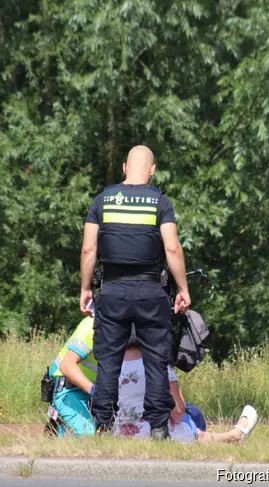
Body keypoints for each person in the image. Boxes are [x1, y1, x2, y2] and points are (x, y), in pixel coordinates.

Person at [80, 145, 191, 440]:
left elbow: (89, 248)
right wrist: (182, 288)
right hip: (151, 292)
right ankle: (158, 428)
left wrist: (85, 287)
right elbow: (172, 248)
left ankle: (102, 426)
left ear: (124, 167)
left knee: (109, 361)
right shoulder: (160, 202)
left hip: (113, 290)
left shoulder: (103, 200)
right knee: (156, 360)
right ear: (152, 170)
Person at [114, 336, 258, 443]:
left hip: (118, 434)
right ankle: (234, 436)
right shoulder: (160, 366)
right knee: (190, 420)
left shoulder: (109, 367)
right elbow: (178, 413)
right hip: (152, 435)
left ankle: (233, 435)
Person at [44, 315, 98, 437]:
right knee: (88, 435)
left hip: (99, 391)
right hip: (68, 388)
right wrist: (95, 391)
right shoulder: (91, 326)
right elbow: (67, 366)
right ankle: (60, 430)